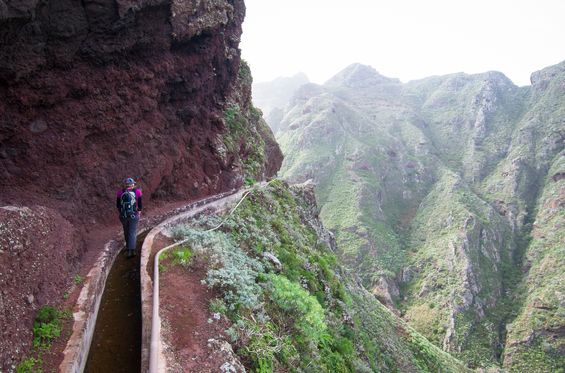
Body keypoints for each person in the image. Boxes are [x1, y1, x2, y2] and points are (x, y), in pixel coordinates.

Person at [117, 177, 142, 257]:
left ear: (125, 185)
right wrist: (139, 212)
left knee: (126, 231)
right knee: (132, 232)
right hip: (134, 215)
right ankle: (132, 251)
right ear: (132, 185)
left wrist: (122, 213)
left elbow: (117, 205)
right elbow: (140, 205)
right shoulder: (138, 192)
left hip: (123, 216)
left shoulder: (120, 192)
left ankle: (128, 249)